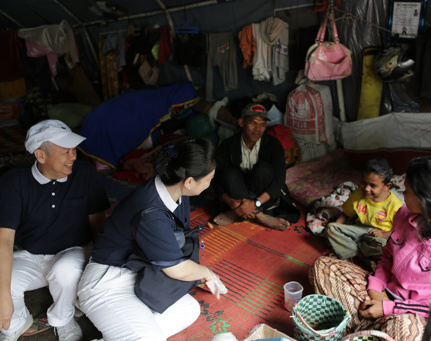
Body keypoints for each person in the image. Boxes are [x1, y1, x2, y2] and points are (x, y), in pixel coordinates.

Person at [311, 156, 431, 341]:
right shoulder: (404, 213)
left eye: (407, 190)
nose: (402, 194)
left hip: (413, 315)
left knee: (403, 331)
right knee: (324, 267)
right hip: (384, 293)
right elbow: (387, 256)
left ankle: (359, 327)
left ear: (425, 201)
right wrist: (375, 290)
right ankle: (365, 330)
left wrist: (388, 308)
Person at [78, 138, 227, 340]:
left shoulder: (174, 190)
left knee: (188, 309)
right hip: (108, 283)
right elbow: (176, 270)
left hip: (141, 274)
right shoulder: (151, 211)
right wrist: (207, 273)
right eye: (209, 179)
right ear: (190, 182)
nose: (210, 184)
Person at [0, 119, 110, 341]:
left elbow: (98, 221)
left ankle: (63, 317)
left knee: (65, 271)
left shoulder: (84, 173)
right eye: (65, 151)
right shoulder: (14, 182)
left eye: (73, 150)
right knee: (2, 279)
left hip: (73, 252)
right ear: (40, 156)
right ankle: (16, 320)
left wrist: (104, 265)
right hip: (32, 255)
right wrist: (4, 297)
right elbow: (4, 239)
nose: (73, 156)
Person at [212, 102, 300, 231]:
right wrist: (232, 203)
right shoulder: (228, 145)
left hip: (261, 196)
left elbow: (278, 181)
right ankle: (259, 215)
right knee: (229, 173)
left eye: (262, 124)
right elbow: (217, 179)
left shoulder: (273, 144)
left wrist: (255, 203)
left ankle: (240, 212)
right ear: (242, 123)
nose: (258, 129)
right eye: (253, 123)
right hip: (236, 193)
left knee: (264, 168)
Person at [326, 157, 403, 269]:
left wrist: (384, 234)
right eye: (363, 182)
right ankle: (363, 258)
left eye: (373, 186)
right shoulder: (358, 194)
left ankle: (353, 249)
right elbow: (346, 214)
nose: (366, 188)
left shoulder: (395, 205)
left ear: (387, 186)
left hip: (379, 237)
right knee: (331, 229)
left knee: (384, 248)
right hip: (360, 230)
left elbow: (400, 230)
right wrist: (336, 232)